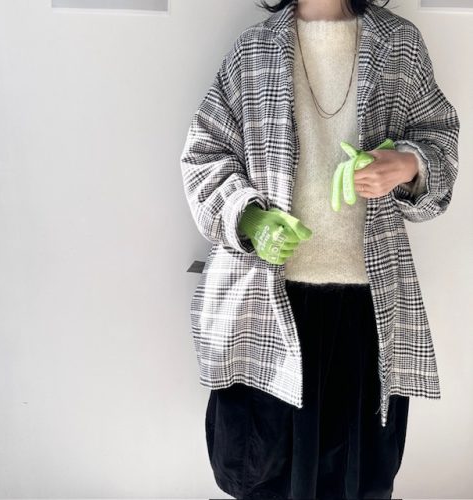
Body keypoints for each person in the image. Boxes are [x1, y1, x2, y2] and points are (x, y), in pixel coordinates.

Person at [179, 0, 460, 498]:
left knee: (356, 476)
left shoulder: (400, 44)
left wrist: (405, 165)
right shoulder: (253, 49)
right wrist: (249, 217)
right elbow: (204, 154)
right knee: (261, 471)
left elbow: (439, 139)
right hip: (270, 303)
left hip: (367, 307)